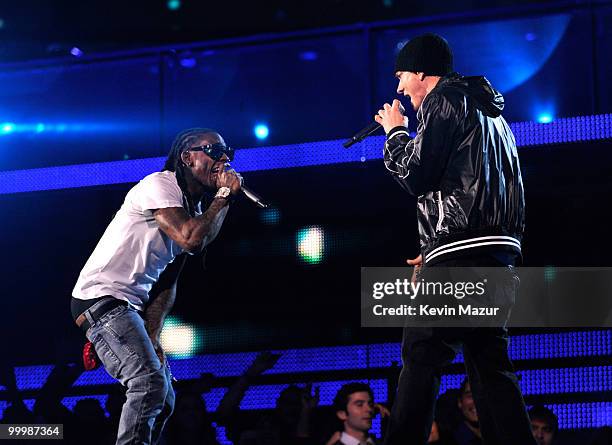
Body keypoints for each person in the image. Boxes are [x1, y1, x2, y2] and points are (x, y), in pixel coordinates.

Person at [374, 33, 534, 445]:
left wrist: (395, 134)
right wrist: (432, 251)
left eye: (402, 76)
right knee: (488, 365)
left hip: (462, 254)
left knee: (422, 354)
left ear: (423, 72)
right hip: (496, 255)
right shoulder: (493, 115)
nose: (399, 88)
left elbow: (416, 175)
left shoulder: (444, 100)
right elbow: (469, 186)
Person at [71, 128, 242, 445]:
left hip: (128, 307)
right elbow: (191, 239)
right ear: (187, 157)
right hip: (102, 298)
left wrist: (152, 333)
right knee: (147, 383)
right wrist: (223, 196)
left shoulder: (195, 212)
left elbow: (167, 281)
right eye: (214, 150)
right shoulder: (160, 184)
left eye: (227, 151)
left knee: (163, 399)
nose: (224, 159)